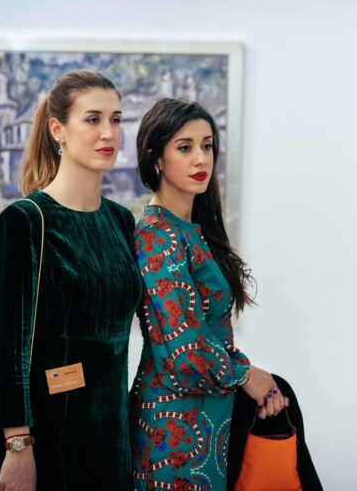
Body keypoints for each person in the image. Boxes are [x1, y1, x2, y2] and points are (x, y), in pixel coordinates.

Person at [0, 69, 141, 490]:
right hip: (46, 435)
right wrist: (18, 446)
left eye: (116, 119)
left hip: (112, 438)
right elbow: (10, 348)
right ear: (58, 130)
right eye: (93, 119)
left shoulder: (121, 221)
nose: (108, 132)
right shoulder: (24, 221)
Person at [130, 98, 288, 491]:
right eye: (184, 148)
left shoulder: (189, 228)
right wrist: (246, 374)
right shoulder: (156, 234)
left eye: (207, 146)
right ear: (156, 158)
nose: (201, 158)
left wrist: (247, 378)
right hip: (174, 427)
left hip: (207, 413)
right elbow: (184, 348)